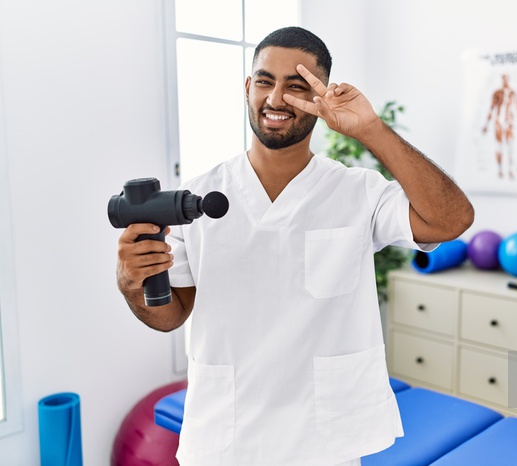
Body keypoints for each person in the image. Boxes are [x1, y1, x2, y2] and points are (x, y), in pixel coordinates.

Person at [116, 26, 474, 466]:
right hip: (225, 437)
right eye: (265, 80)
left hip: (322, 441)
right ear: (248, 88)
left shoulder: (357, 192)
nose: (276, 98)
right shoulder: (197, 196)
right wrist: (133, 282)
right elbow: (170, 316)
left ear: (321, 100)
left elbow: (452, 219)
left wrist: (371, 130)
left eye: (297, 86)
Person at [482, 73, 517, 179]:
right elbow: (491, 108)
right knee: (499, 146)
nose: (506, 80)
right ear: (502, 79)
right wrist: (486, 125)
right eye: (504, 78)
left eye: (507, 78)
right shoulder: (497, 93)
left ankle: (510, 170)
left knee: (509, 145)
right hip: (498, 121)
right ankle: (500, 170)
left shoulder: (513, 93)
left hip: (509, 122)